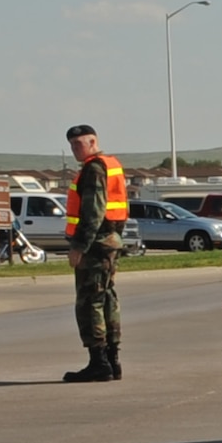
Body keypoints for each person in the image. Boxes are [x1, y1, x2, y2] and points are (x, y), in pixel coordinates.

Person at [62, 124, 128, 382]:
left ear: (93, 142)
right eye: (72, 145)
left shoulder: (94, 168)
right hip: (110, 240)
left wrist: (79, 247)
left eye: (80, 143)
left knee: (90, 302)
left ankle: (99, 362)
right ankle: (112, 361)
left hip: (96, 243)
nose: (76, 149)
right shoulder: (111, 165)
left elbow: (93, 211)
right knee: (107, 298)